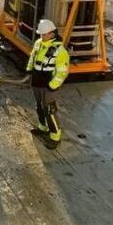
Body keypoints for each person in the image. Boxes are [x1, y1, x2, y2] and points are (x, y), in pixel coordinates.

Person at [26, 19, 69, 149]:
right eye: (41, 34)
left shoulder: (60, 51)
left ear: (52, 34)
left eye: (45, 34)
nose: (42, 37)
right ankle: (43, 127)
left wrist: (53, 86)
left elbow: (62, 72)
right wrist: (29, 69)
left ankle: (55, 136)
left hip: (48, 84)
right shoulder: (38, 43)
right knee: (39, 106)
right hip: (37, 81)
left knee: (49, 110)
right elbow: (32, 57)